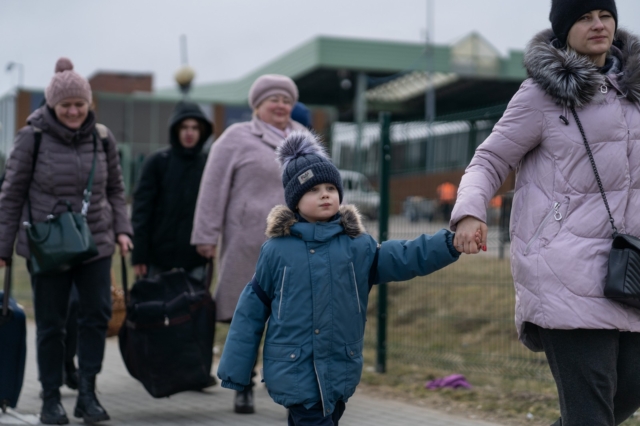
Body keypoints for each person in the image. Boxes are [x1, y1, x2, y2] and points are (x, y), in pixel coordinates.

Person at [450, 1, 640, 424]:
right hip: (565, 269)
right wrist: (469, 212)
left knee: (622, 399)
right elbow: (489, 161)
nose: (598, 25)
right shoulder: (540, 96)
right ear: (563, 28)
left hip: (633, 268)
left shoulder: (636, 92)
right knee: (591, 415)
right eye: (584, 17)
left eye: (605, 15)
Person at [216, 132, 464, 426]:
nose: (324, 194)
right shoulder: (276, 251)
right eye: (313, 190)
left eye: (330, 187)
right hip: (294, 369)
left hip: (340, 367)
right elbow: (251, 310)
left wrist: (450, 243)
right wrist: (237, 371)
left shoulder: (358, 246)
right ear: (295, 201)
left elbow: (406, 256)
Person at [0, 57, 132, 425]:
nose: (73, 111)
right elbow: (11, 195)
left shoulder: (102, 137)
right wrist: (2, 248)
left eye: (79, 104)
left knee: (96, 316)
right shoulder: (32, 137)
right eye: (65, 105)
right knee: (51, 324)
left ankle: (87, 394)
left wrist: (123, 230)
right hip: (48, 246)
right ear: (52, 106)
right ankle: (50, 398)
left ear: (88, 103)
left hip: (96, 242)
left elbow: (115, 189)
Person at [191, 74, 308, 414]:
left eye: (286, 100)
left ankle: (288, 386)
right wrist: (205, 235)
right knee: (250, 317)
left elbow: (321, 183)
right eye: (274, 99)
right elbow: (212, 188)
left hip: (295, 242)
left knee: (291, 317)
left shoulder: (302, 138)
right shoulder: (236, 137)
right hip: (248, 241)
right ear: (257, 105)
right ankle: (242, 383)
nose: (281, 106)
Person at [131, 101, 213, 280]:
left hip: (196, 257)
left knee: (194, 307)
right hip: (157, 257)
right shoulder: (157, 162)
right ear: (176, 130)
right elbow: (141, 212)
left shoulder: (210, 164)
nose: (189, 132)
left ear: (202, 131)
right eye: (184, 127)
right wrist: (139, 254)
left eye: (194, 127)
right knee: (151, 306)